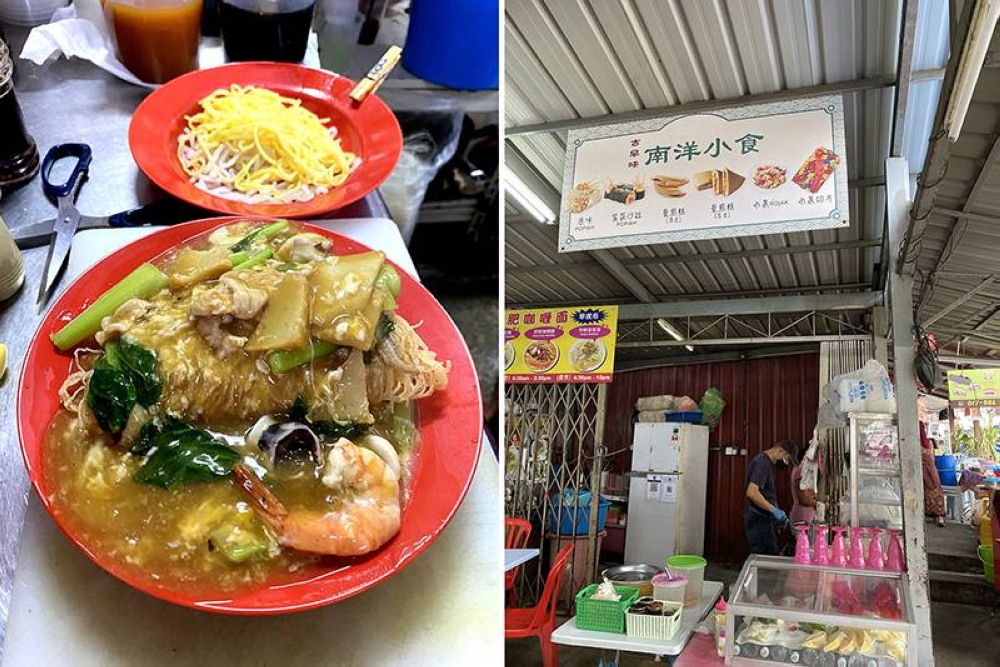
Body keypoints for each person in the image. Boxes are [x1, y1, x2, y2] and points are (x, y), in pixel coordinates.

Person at [745, 440, 799, 555]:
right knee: (766, 561)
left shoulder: (766, 463)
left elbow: (764, 493)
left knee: (768, 558)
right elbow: (752, 492)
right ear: (780, 451)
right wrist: (773, 510)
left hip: (763, 519)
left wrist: (774, 517)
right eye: (787, 459)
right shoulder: (762, 464)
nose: (786, 463)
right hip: (759, 520)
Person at [919, 421, 947, 527]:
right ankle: (939, 517)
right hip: (932, 471)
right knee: (936, 490)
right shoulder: (929, 443)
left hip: (922, 471)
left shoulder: (914, 442)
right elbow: (932, 457)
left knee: (927, 492)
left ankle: (930, 514)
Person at [790, 445, 818, 524]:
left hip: (806, 516)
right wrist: (819, 504)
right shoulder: (801, 470)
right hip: (804, 517)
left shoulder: (802, 469)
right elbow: (802, 499)